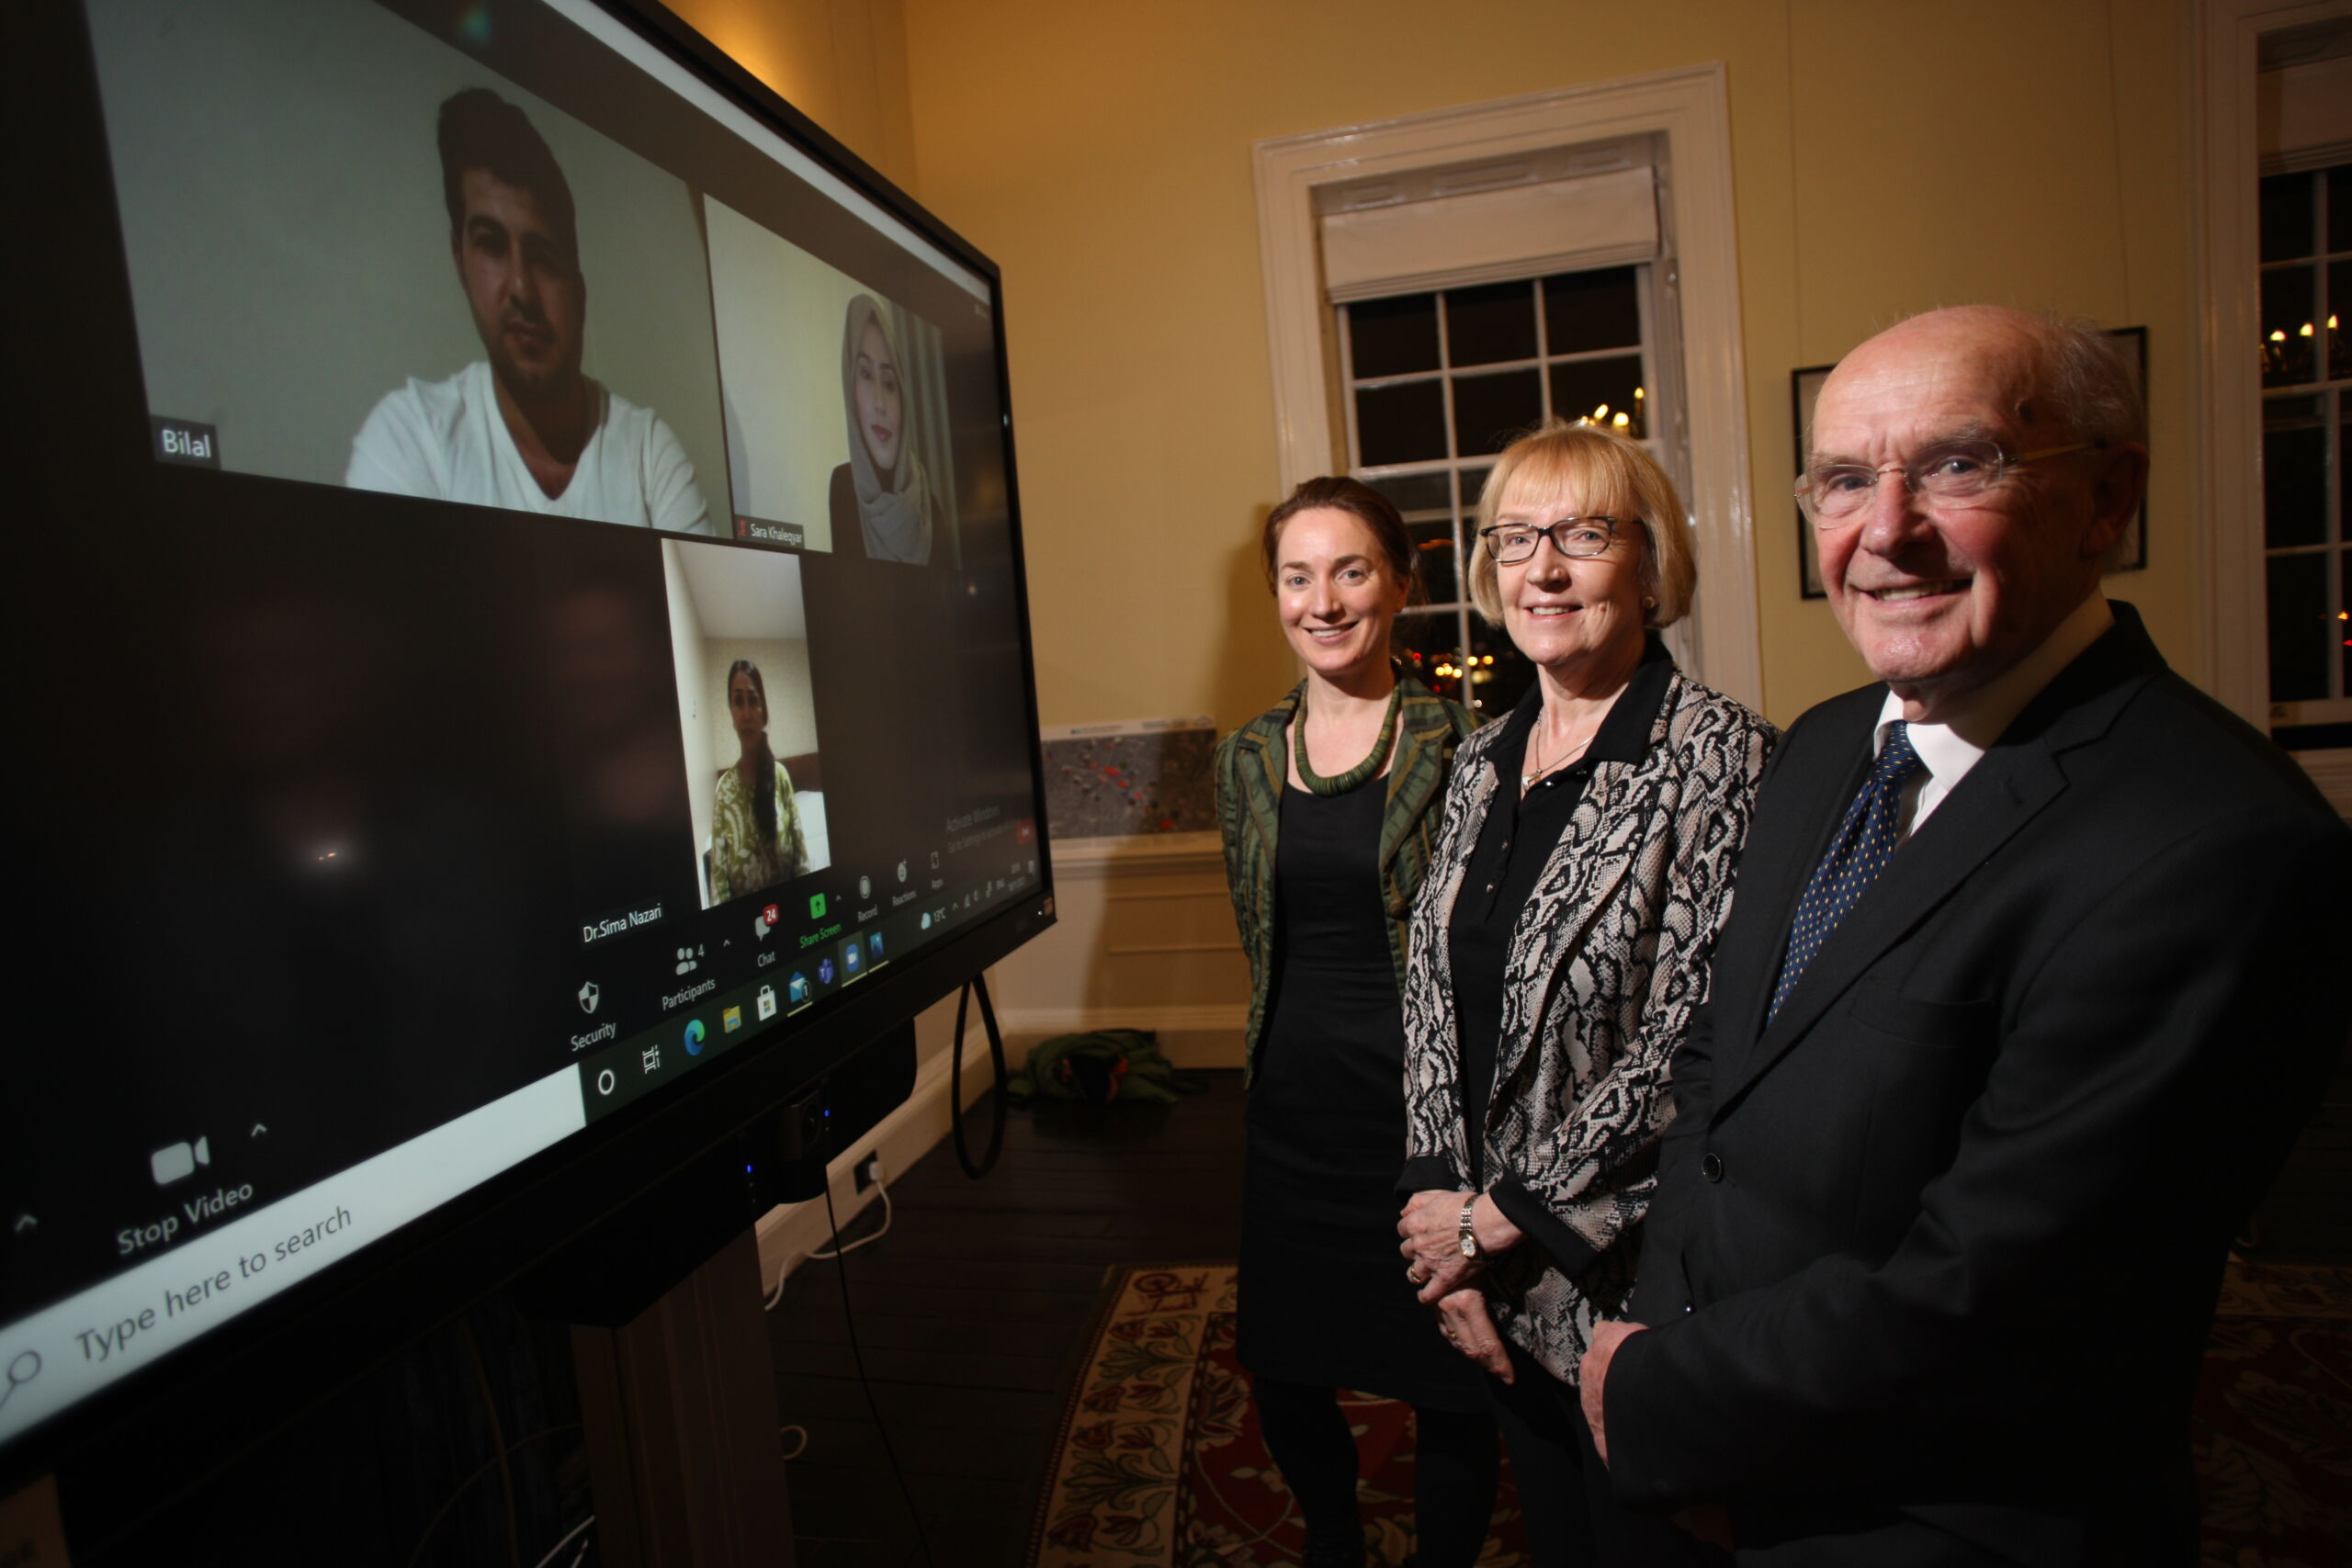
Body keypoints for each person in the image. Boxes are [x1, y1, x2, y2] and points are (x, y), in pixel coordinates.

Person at [1580, 306, 2352, 1565]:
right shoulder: (1826, 743)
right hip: (1721, 1443)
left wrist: (1666, 1396)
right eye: (1843, 479)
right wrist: (1670, 1337)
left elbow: (2009, 1299)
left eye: (1957, 464)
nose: (1886, 530)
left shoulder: (2220, 842)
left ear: (2107, 499)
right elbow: (1720, 1073)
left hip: (1938, 1515)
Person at [1395, 420, 1774, 1568]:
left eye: (1583, 535)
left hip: (1630, 1274)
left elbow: (1693, 1037)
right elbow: (1430, 998)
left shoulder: (1719, 756)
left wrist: (1499, 1217)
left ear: (1651, 565)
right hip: (1488, 1273)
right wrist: (1442, 1232)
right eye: (1514, 538)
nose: (1543, 570)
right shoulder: (1479, 760)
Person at [1214, 478, 1494, 1568]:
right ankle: (1334, 1539)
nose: (1322, 602)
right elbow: (1256, 929)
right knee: (1285, 1371)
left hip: (1419, 1118)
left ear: (1401, 585)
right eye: (1297, 577)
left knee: (1449, 1378)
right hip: (1292, 1114)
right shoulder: (1247, 756)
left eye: (1350, 571)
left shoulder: (1464, 744)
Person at [347, 87, 712, 534]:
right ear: (460, 262)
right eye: (491, 245)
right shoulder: (410, 438)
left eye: (544, 258)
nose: (522, 289)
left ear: (579, 291)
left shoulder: (648, 453)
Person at [829, 295, 938, 563]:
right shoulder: (844, 487)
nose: (880, 403)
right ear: (850, 389)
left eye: (889, 383)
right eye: (866, 375)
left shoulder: (929, 508)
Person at [707, 658, 807, 902]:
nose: (746, 714)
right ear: (731, 713)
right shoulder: (724, 791)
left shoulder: (781, 777)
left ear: (764, 712)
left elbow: (802, 864)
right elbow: (719, 888)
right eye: (738, 702)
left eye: (753, 700)